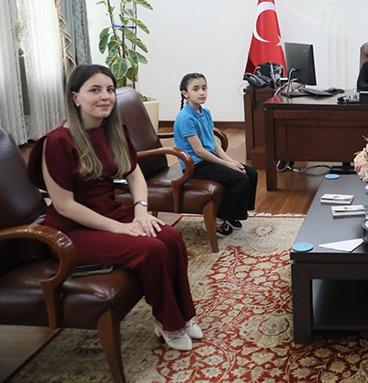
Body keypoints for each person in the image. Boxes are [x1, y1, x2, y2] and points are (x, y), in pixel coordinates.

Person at [27, 64, 200, 351]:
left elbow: (135, 175)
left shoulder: (112, 130)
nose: (105, 96)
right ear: (75, 98)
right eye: (94, 90)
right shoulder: (56, 142)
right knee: (151, 249)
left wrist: (141, 212)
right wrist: (120, 228)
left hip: (110, 211)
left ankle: (183, 315)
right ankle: (168, 322)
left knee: (171, 237)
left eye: (109, 90)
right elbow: (64, 206)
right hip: (71, 230)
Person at [174, 73, 258, 236]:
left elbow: (213, 144)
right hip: (195, 164)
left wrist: (231, 161)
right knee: (240, 179)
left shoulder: (205, 113)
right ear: (185, 93)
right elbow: (199, 151)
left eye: (204, 88)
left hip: (208, 159)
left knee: (250, 173)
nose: (202, 92)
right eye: (196, 89)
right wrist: (227, 165)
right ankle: (218, 219)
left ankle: (233, 213)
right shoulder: (185, 118)